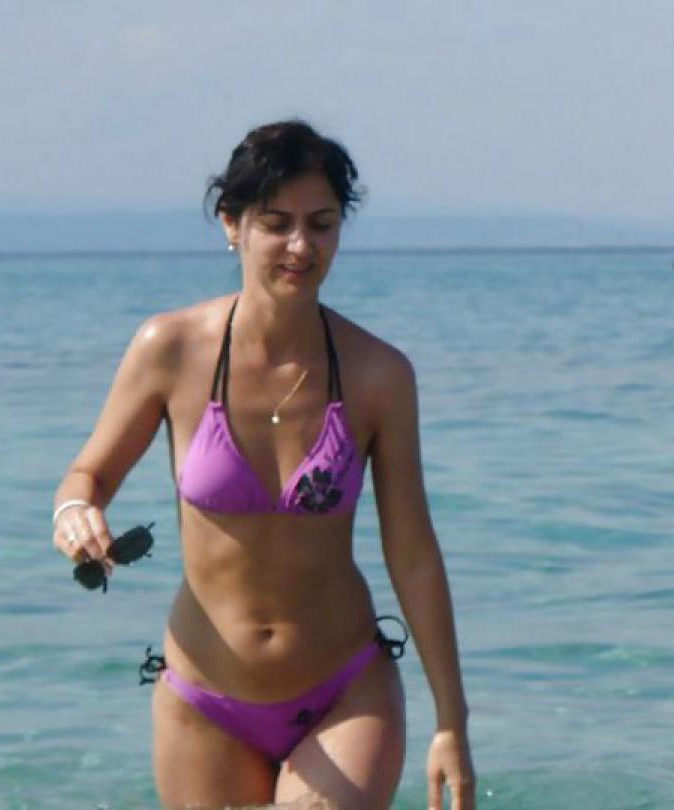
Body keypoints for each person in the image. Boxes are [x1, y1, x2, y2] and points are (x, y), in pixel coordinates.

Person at [51, 120, 474, 809]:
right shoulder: (169, 349)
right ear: (232, 224)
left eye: (322, 224)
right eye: (277, 224)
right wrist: (75, 513)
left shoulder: (379, 375)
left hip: (345, 690)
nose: (301, 246)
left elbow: (413, 552)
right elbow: (88, 476)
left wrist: (452, 721)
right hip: (204, 700)